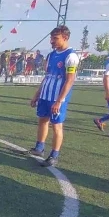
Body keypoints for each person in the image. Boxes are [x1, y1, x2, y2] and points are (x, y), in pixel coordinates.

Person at [27, 25, 79, 167]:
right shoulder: (51, 55)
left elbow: (70, 80)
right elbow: (47, 76)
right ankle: (39, 148)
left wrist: (59, 101)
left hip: (57, 98)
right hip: (45, 95)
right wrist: (37, 94)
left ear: (65, 38)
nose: (52, 41)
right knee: (42, 120)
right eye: (51, 38)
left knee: (57, 126)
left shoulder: (71, 56)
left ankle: (54, 155)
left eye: (55, 38)